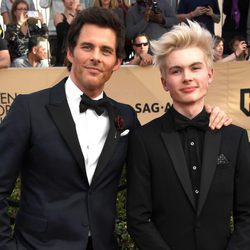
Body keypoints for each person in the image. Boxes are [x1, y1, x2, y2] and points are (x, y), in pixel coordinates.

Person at [0, 7, 140, 250]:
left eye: (106, 50)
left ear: (117, 62)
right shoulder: (29, 109)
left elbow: (160, 160)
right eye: (87, 47)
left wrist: (209, 116)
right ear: (69, 52)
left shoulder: (125, 117)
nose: (96, 57)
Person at [127, 20, 250, 250]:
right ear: (164, 82)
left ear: (210, 74)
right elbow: (138, 219)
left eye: (195, 68)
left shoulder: (236, 138)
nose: (187, 77)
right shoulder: (144, 140)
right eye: (176, 70)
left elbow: (248, 215)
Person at [54, 0, 83, 66]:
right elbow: (63, 32)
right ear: (63, 2)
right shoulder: (59, 16)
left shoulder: (82, 18)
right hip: (63, 57)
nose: (72, 1)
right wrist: (73, 12)